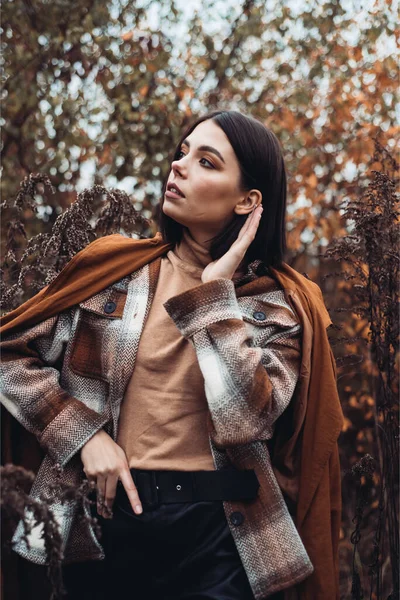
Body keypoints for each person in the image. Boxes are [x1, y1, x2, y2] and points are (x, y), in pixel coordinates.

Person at [0, 110, 343, 600]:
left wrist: (214, 296)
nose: (179, 166)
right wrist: (83, 436)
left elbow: (245, 420)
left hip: (222, 537)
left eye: (206, 161)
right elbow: (7, 356)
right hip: (100, 524)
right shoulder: (113, 271)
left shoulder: (277, 304)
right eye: (183, 152)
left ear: (247, 200)